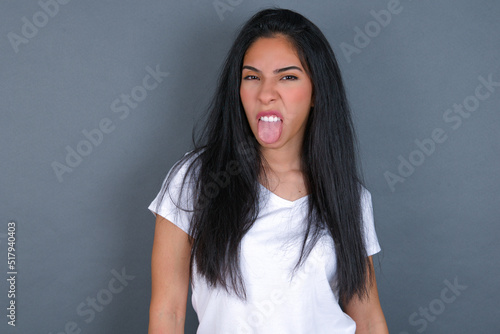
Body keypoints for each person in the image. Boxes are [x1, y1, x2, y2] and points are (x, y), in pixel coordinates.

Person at [147, 7, 388, 334]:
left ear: (316, 91)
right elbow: (168, 311)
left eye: (287, 77)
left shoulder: (348, 195)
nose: (266, 94)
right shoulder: (195, 180)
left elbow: (369, 318)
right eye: (252, 77)